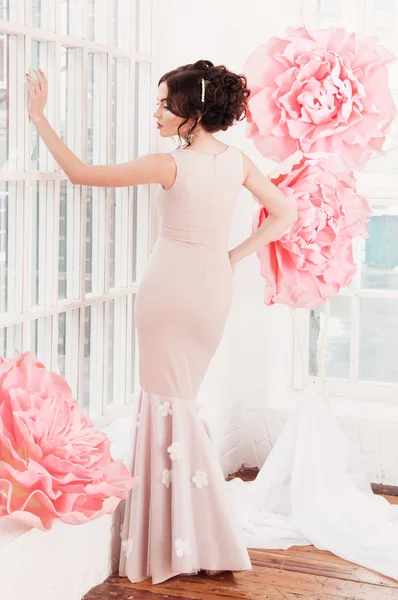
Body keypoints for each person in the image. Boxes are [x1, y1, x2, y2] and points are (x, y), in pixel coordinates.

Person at [25, 59, 297, 584]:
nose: (156, 113)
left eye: (164, 105)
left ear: (191, 113)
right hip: (212, 288)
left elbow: (81, 174)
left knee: (165, 406)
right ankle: (193, 533)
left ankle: (185, 537)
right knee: (182, 405)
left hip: (168, 290)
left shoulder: (169, 164)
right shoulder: (237, 161)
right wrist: (234, 256)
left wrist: (39, 118)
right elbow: (284, 212)